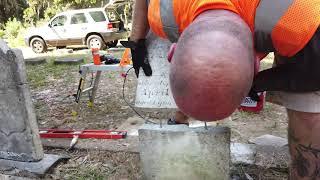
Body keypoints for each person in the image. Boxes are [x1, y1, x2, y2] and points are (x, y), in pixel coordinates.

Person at [121, 0, 320, 179]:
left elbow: (312, 74)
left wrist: (258, 82)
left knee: (309, 118)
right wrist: (136, 40)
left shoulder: (299, 18)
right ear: (173, 50)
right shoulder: (162, 13)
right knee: (199, 77)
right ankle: (180, 119)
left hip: (299, 31)